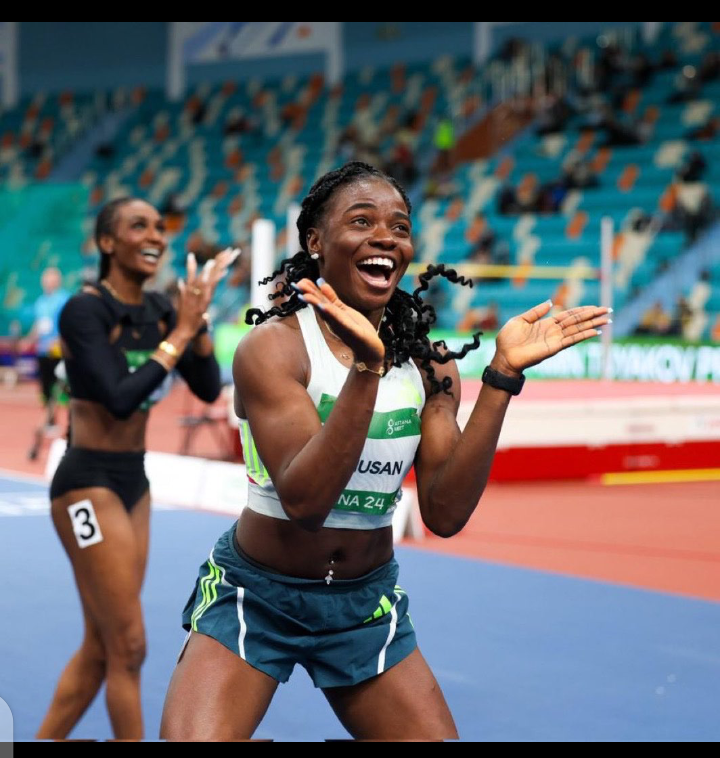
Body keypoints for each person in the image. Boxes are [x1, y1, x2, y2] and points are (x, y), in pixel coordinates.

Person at [160, 162, 610, 741]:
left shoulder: (429, 363)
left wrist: (500, 378)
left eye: (400, 226)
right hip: (258, 595)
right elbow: (305, 501)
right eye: (362, 221)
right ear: (316, 242)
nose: (386, 237)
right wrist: (367, 372)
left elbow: (444, 515)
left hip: (365, 606)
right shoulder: (273, 349)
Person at [36, 198, 237, 741]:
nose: (156, 235)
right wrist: (179, 333)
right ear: (108, 243)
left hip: (134, 482)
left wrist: (198, 323)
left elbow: (206, 385)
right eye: (138, 226)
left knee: (103, 646)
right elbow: (120, 399)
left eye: (159, 227)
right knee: (129, 644)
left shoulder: (161, 309)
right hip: (85, 484)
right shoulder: (85, 311)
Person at [19, 267, 70, 460]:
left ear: (58, 280)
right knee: (46, 389)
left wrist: (59, 340)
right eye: (46, 279)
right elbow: (39, 325)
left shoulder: (64, 299)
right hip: (42, 351)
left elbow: (68, 322)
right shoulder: (41, 301)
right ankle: (50, 422)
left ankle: (70, 426)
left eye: (52, 278)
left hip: (58, 352)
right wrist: (29, 339)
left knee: (64, 389)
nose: (48, 282)